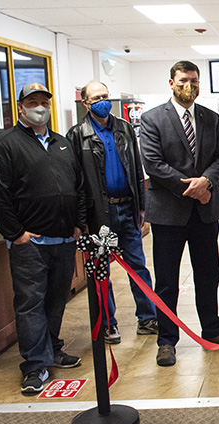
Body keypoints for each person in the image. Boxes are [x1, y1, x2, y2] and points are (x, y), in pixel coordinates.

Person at [140, 60, 219, 367]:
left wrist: (207, 182)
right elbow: (152, 163)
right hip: (169, 213)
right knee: (168, 280)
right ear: (171, 83)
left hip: (205, 212)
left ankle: (212, 330)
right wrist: (190, 187)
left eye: (195, 81)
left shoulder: (210, 118)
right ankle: (167, 340)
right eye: (184, 80)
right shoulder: (152, 118)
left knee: (209, 274)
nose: (190, 85)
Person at [0, 83, 85, 394]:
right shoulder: (7, 144)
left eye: (44, 101)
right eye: (33, 102)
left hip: (64, 241)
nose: (40, 106)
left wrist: (79, 224)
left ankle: (52, 349)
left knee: (56, 301)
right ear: (20, 108)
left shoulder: (62, 143)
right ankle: (34, 366)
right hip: (30, 244)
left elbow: (79, 187)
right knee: (31, 304)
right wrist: (16, 234)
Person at [67, 81, 158, 345]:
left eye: (105, 96)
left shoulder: (124, 128)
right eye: (96, 98)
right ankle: (108, 324)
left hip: (127, 206)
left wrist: (142, 206)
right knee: (101, 270)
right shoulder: (78, 134)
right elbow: (77, 181)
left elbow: (137, 169)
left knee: (138, 266)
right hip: (99, 213)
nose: (102, 101)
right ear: (85, 102)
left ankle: (148, 317)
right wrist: (82, 220)